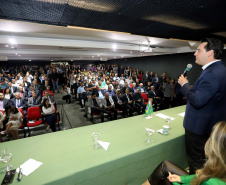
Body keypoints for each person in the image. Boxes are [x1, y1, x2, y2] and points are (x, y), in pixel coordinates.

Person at [178, 38, 226, 174]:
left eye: (198, 50)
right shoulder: (221, 69)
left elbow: (198, 100)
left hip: (199, 129)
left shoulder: (211, 74)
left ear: (210, 52)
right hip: (211, 125)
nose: (195, 53)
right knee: (207, 162)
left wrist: (185, 86)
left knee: (196, 164)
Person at [142, 121, 226, 185]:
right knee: (165, 166)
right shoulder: (220, 168)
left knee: (165, 179)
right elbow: (204, 176)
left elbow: (205, 178)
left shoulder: (211, 182)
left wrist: (174, 182)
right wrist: (182, 179)